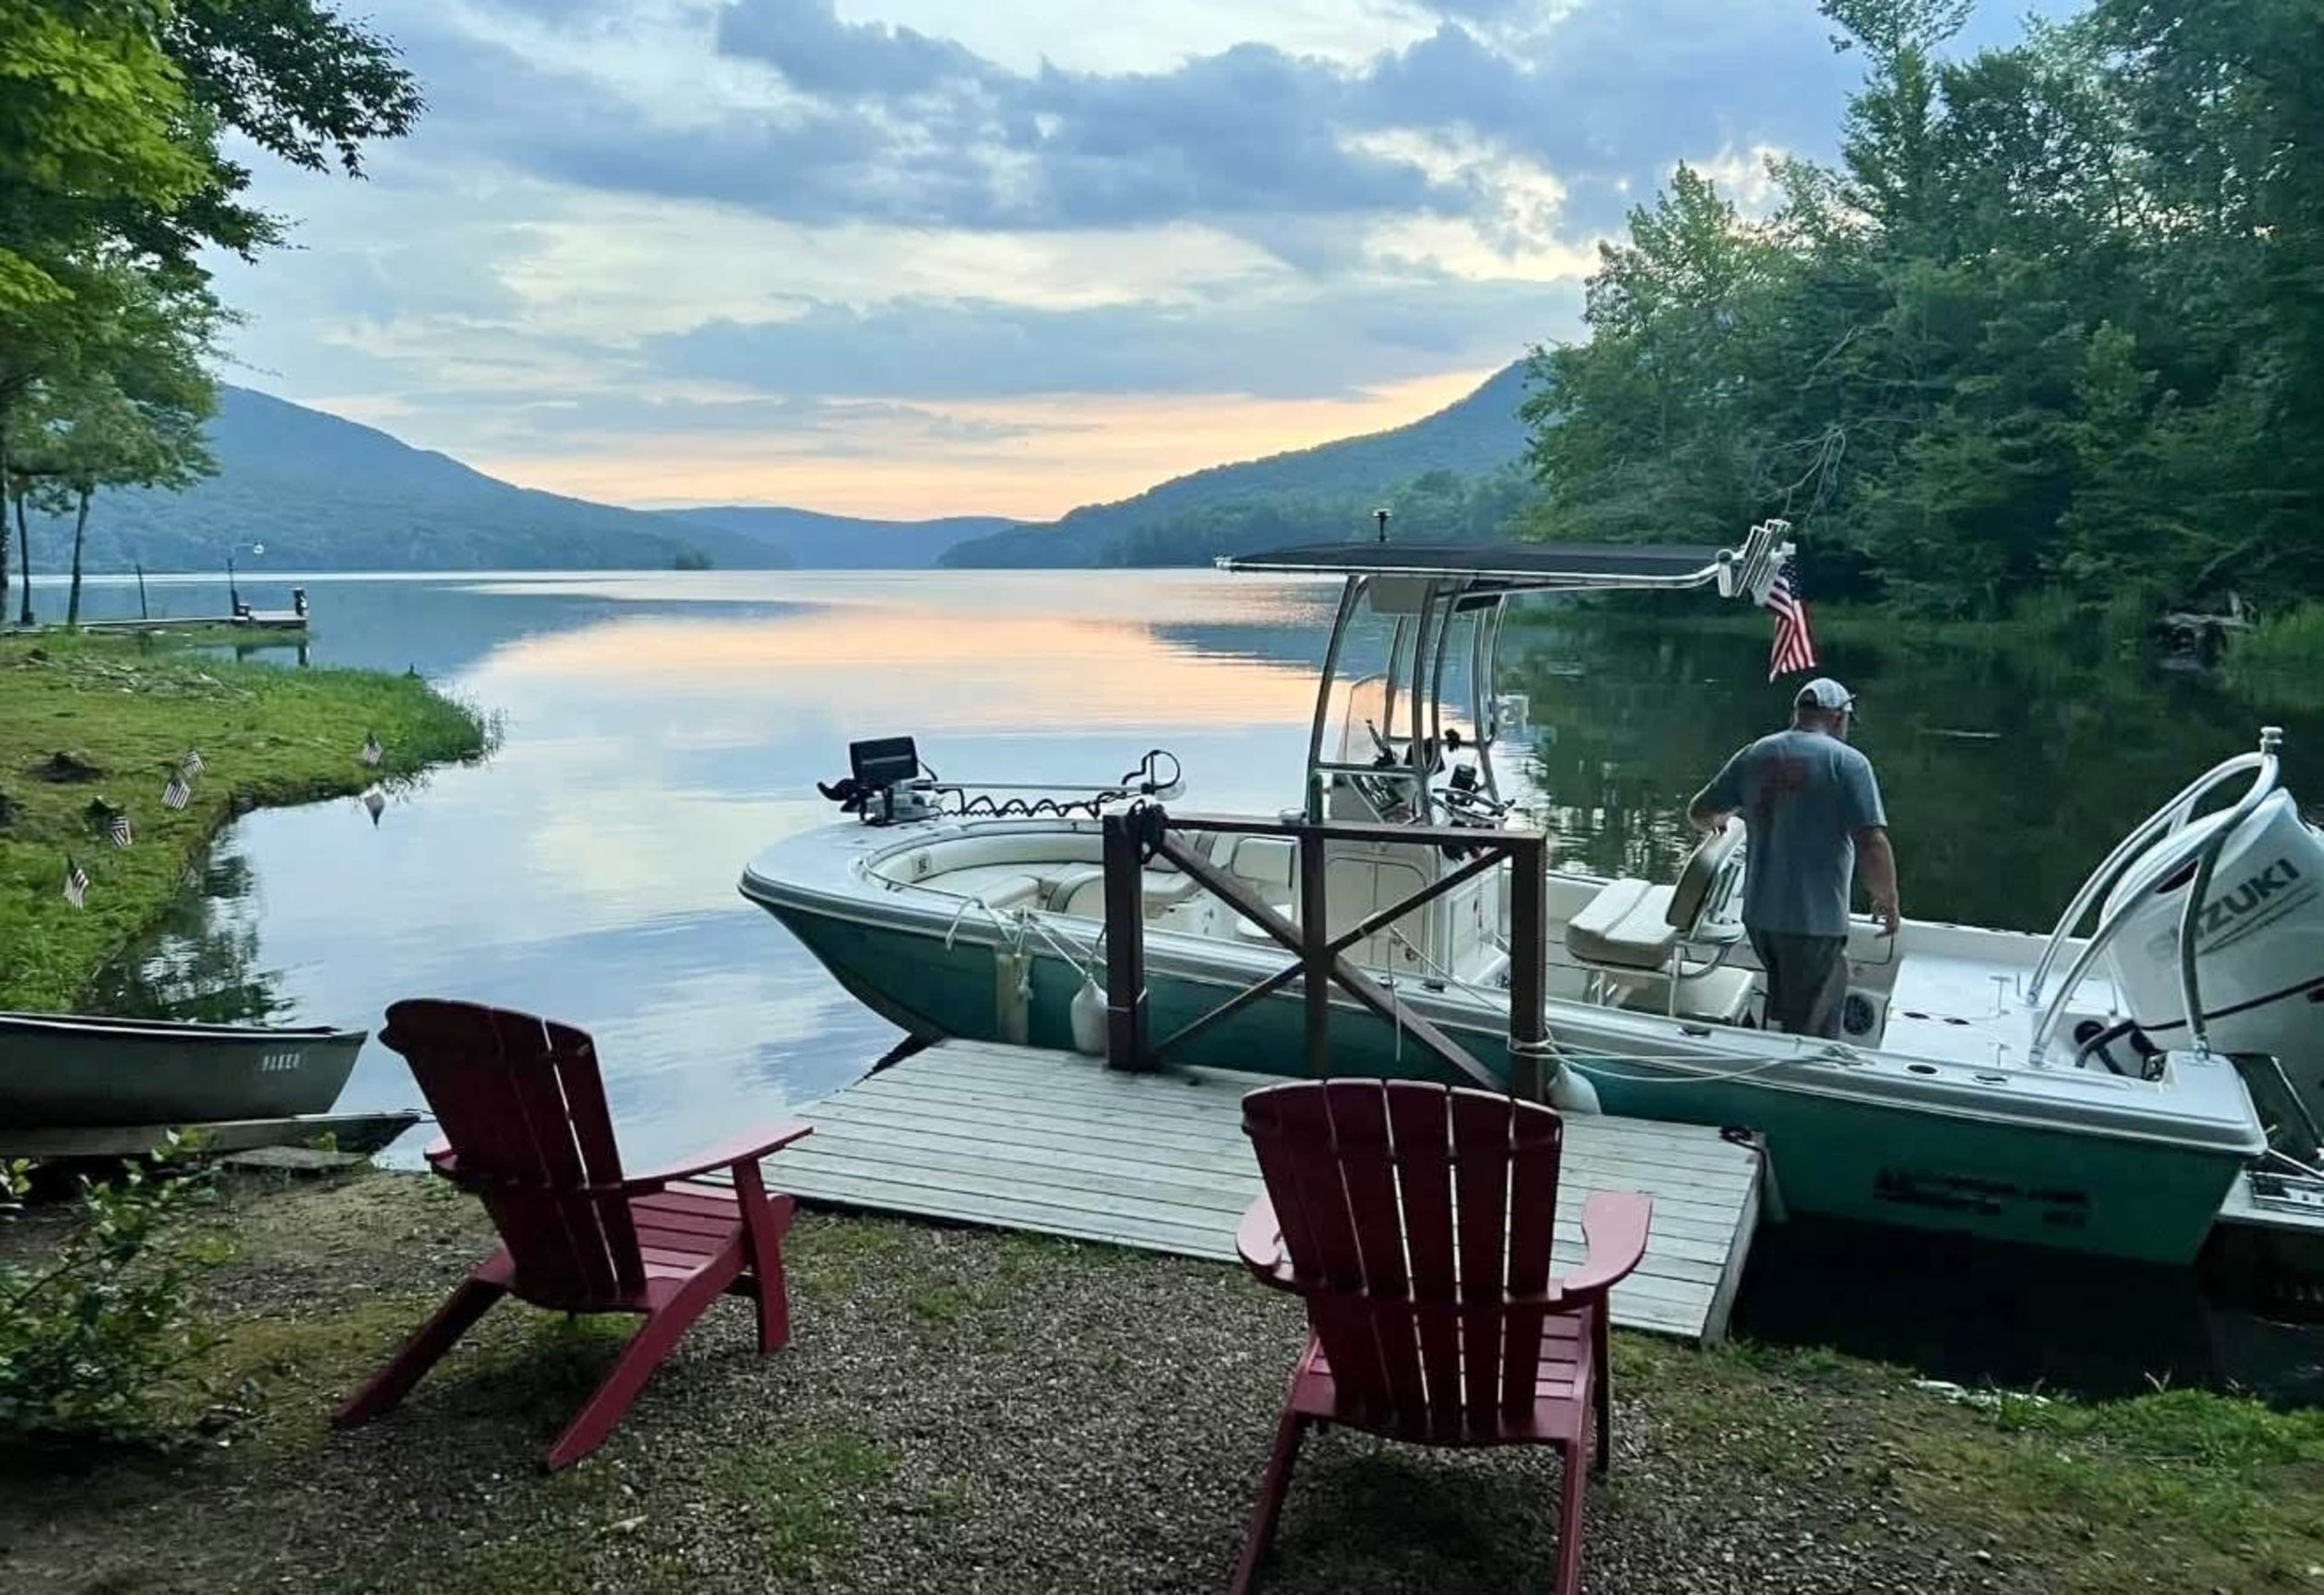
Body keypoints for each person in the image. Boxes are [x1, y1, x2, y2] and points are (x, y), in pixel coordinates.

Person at [1687, 677, 1900, 1038]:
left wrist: (1719, 818)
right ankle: (1793, 1081)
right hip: (1814, 921)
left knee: (1813, 987)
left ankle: (1778, 1048)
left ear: (1797, 714)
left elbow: (1699, 812)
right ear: (1838, 717)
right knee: (1809, 1026)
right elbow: (1872, 843)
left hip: (1760, 918)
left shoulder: (1755, 753)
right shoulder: (1848, 763)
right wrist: (1887, 898)